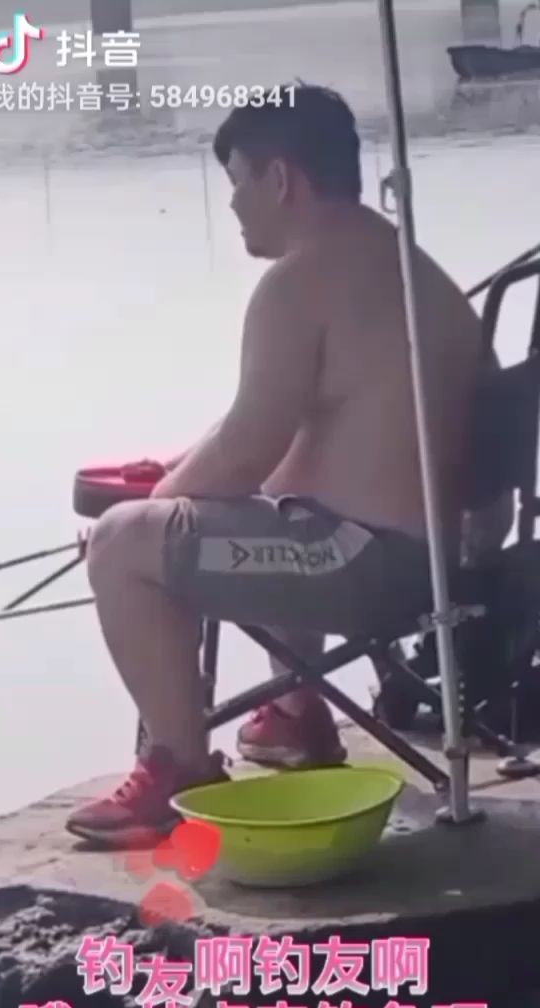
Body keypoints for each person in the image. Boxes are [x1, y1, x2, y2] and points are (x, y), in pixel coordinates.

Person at [66, 83, 499, 847]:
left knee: (123, 544)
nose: (233, 205)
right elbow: (276, 431)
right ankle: (297, 716)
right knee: (269, 503)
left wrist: (142, 519)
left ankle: (179, 771)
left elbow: (245, 450)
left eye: (237, 182)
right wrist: (176, 479)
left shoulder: (299, 281)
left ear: (279, 179)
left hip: (370, 566)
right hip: (437, 563)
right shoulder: (412, 271)